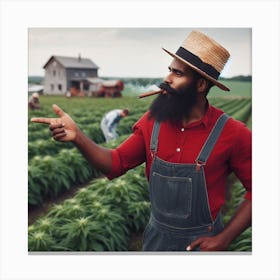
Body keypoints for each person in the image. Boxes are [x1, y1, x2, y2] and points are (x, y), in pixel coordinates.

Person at [31, 30, 251, 252]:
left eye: (178, 73)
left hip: (204, 245)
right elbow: (115, 162)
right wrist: (78, 136)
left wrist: (224, 238)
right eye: (169, 70)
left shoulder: (232, 132)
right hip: (156, 241)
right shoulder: (152, 121)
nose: (167, 79)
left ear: (201, 85)